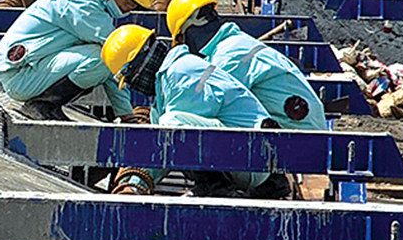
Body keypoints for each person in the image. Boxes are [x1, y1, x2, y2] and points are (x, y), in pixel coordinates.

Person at [103, 24, 284, 195]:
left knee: (171, 124)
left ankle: (215, 190)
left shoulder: (182, 73)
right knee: (168, 124)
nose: (134, 85)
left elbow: (168, 141)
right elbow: (164, 148)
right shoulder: (168, 85)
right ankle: (213, 187)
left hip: (253, 159)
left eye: (130, 77)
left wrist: (137, 181)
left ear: (141, 63)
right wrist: (136, 183)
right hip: (243, 154)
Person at [0, 0, 160, 120]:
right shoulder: (84, 4)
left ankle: (46, 105)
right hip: (22, 76)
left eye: (135, 4)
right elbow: (115, 61)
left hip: (29, 71)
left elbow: (113, 68)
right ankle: (42, 106)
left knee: (104, 58)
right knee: (102, 59)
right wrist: (127, 113)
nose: (130, 7)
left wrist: (126, 115)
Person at [168, 0, 326, 130]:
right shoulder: (235, 44)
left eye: (182, 40)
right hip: (300, 134)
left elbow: (207, 107)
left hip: (294, 142)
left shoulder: (229, 56)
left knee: (173, 121)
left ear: (189, 30)